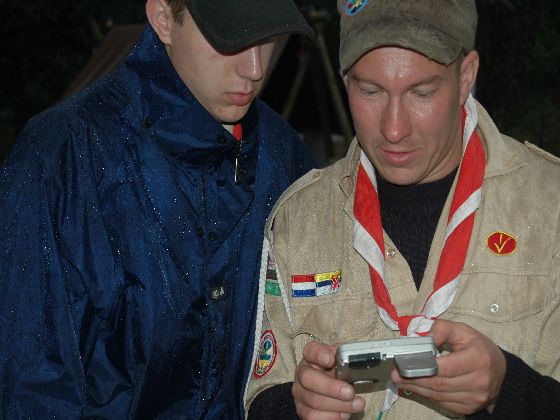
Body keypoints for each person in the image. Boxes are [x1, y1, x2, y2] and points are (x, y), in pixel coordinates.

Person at [244, 0, 560, 418]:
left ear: (466, 76)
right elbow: (261, 398)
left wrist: (507, 387)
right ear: (345, 79)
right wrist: (297, 405)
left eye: (422, 92)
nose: (394, 129)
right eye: (370, 91)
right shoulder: (300, 219)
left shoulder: (549, 207)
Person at [0, 0, 315, 418]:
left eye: (268, 37)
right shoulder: (60, 159)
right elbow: (31, 388)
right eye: (231, 40)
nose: (255, 69)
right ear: (164, 18)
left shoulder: (285, 157)